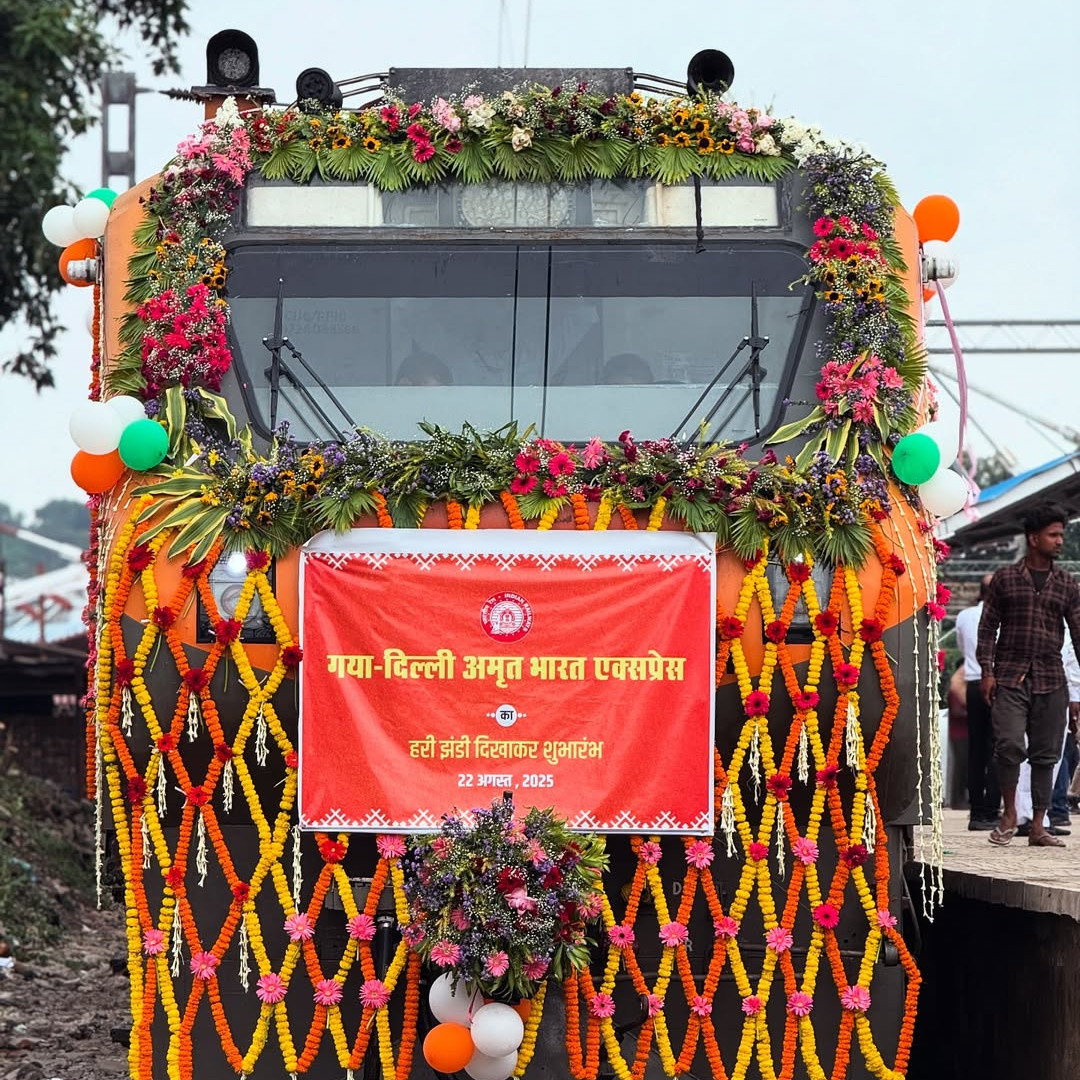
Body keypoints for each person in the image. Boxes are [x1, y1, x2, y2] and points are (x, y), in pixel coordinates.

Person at [978, 503, 1080, 847]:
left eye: (1061, 535)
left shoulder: (1067, 584)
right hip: (1009, 676)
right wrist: (987, 673)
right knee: (1007, 744)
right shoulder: (1006, 579)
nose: (1060, 541)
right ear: (1033, 538)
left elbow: (1078, 634)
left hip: (1052, 678)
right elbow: (987, 627)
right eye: (1053, 535)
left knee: (1046, 754)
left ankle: (1037, 826)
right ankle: (1009, 812)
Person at [954, 574, 1000, 829]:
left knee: (976, 749)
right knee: (997, 748)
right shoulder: (1004, 617)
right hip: (996, 684)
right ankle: (992, 810)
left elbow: (963, 648)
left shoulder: (964, 616)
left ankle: (976, 812)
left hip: (973, 681)